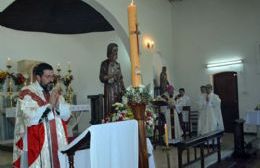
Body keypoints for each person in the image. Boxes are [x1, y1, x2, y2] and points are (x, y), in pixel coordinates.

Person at [13, 63, 71, 168]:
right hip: (39, 142)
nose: (51, 79)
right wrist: (50, 105)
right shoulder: (27, 92)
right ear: (38, 77)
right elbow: (29, 117)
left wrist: (58, 105)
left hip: (58, 140)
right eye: (47, 76)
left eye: (52, 76)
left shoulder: (54, 91)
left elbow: (67, 116)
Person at [99, 43, 125, 116]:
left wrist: (124, 89)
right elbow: (102, 77)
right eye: (114, 50)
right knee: (111, 110)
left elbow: (121, 78)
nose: (116, 52)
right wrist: (112, 75)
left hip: (118, 89)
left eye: (117, 50)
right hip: (110, 89)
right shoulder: (104, 64)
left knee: (119, 110)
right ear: (109, 51)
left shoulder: (117, 64)